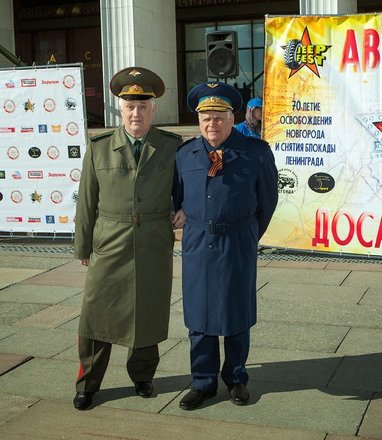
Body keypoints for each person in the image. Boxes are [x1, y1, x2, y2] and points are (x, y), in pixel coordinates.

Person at [72, 66, 182, 410]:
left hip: (152, 242)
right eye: (130, 106)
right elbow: (86, 201)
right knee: (96, 314)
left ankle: (143, 376)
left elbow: (185, 189)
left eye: (143, 106)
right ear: (120, 109)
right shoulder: (100, 148)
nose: (136, 113)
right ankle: (88, 384)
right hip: (110, 242)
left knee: (148, 311)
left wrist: (186, 209)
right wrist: (83, 246)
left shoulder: (171, 147)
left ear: (153, 109)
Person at [172, 83, 278, 410]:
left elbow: (267, 202)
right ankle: (203, 382)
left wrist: (247, 235)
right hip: (197, 243)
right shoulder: (185, 154)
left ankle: (236, 378)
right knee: (199, 315)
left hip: (237, 242)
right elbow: (177, 198)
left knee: (237, 313)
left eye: (219, 116)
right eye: (206, 117)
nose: (212, 124)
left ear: (232, 118)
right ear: (198, 120)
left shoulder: (256, 152)